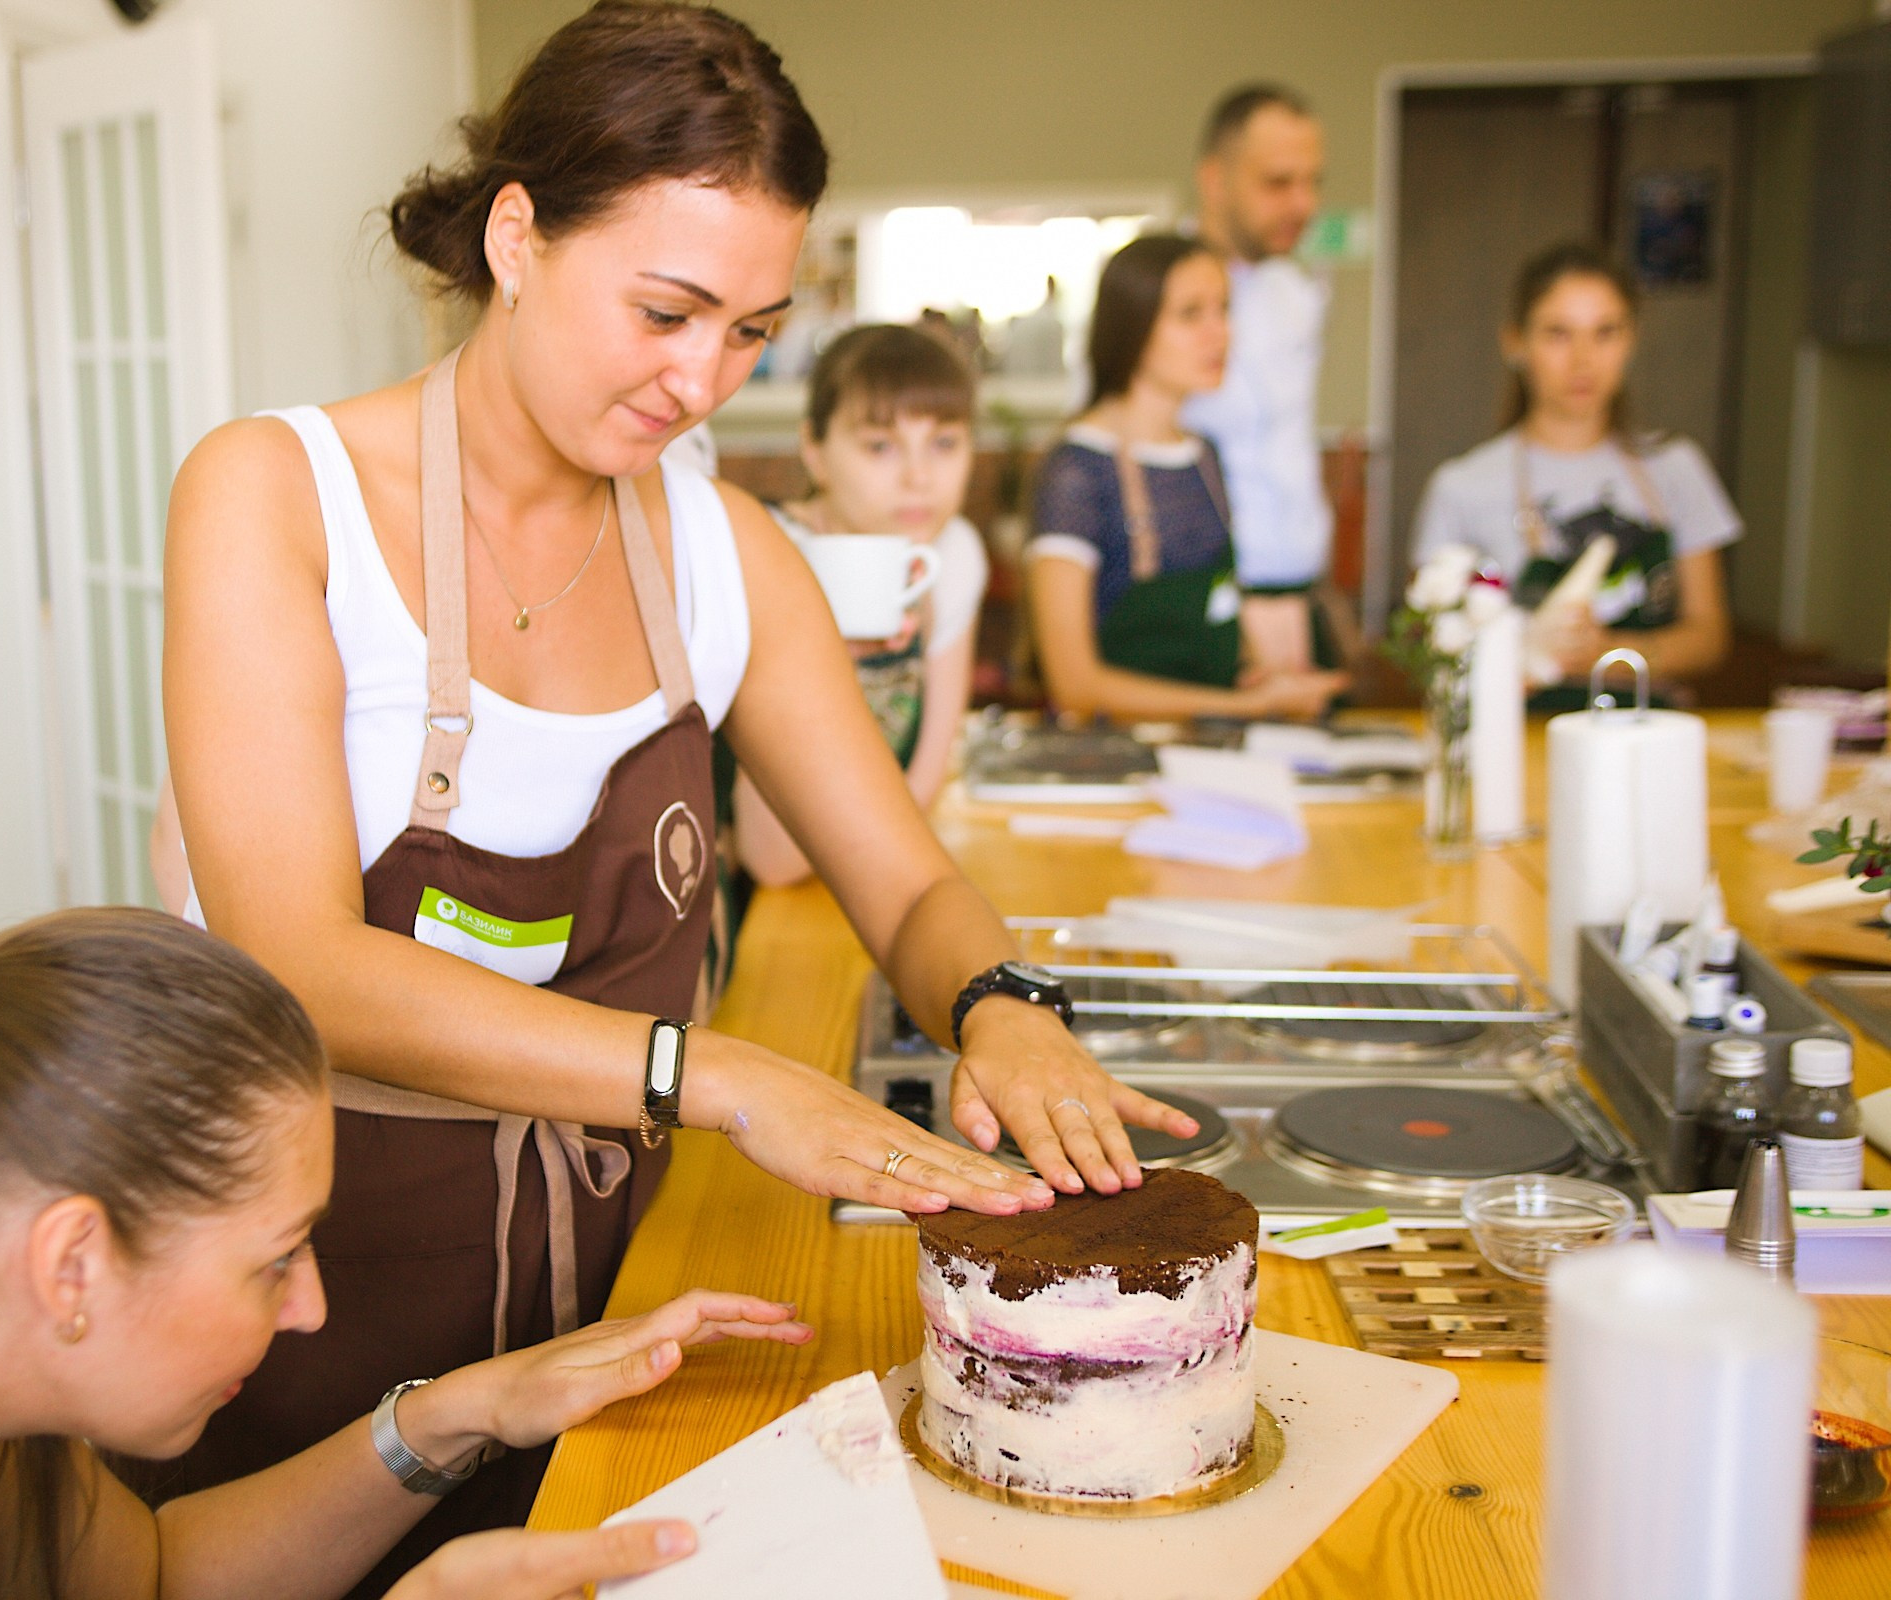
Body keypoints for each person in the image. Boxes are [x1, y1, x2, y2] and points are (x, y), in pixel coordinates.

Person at [150, 3, 1193, 1588]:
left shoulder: (725, 554)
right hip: (291, 1316)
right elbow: (299, 959)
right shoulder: (276, 498)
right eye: (665, 309)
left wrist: (1002, 1001)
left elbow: (902, 885)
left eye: (752, 330)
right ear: (517, 236)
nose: (703, 379)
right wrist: (722, 1078)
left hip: (608, 1317)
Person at [0, 910, 811, 1600]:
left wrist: (471, 1410)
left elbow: (150, 1582)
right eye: (275, 1258)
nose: (310, 1310)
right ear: (73, 1266)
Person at [1027, 234, 1347, 720]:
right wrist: (1244, 706)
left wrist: (1262, 672)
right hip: (1111, 764)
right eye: (1191, 314)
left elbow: (1214, 619)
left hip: (1210, 756)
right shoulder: (1078, 470)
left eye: (1223, 309)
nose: (1218, 332)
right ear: (1132, 325)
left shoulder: (1203, 454)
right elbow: (1074, 685)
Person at [1412, 242, 1736, 704]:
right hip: (1524, 736)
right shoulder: (1461, 487)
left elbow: (1709, 638)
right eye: (1558, 334)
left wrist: (1607, 653)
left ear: (1632, 341)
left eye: (1606, 333)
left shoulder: (1676, 468)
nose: (1583, 360)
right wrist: (1524, 651)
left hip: (1647, 736)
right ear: (1515, 343)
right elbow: (1432, 650)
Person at [731, 322, 988, 886]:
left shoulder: (953, 553)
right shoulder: (762, 552)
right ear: (815, 452)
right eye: (880, 446)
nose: (920, 477)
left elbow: (923, 782)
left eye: (944, 443)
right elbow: (771, 860)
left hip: (871, 876)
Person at [1178, 83, 1335, 674]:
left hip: (1297, 589)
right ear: (1215, 180)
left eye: (1313, 181)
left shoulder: (1297, 295)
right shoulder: (1157, 295)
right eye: (1278, 182)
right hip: (1207, 593)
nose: (1303, 203)